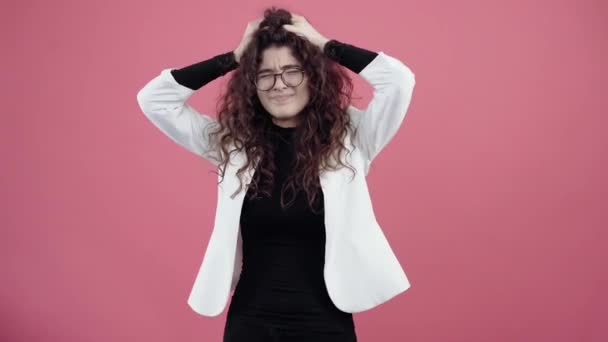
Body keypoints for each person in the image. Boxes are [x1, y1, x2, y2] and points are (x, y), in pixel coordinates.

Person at [136, 7, 416, 342]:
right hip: (250, 324)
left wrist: (324, 44)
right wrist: (233, 57)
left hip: (324, 324)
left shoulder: (353, 137)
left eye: (292, 71)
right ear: (252, 84)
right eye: (265, 74)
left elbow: (399, 81)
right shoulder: (233, 143)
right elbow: (154, 100)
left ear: (312, 76)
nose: (279, 85)